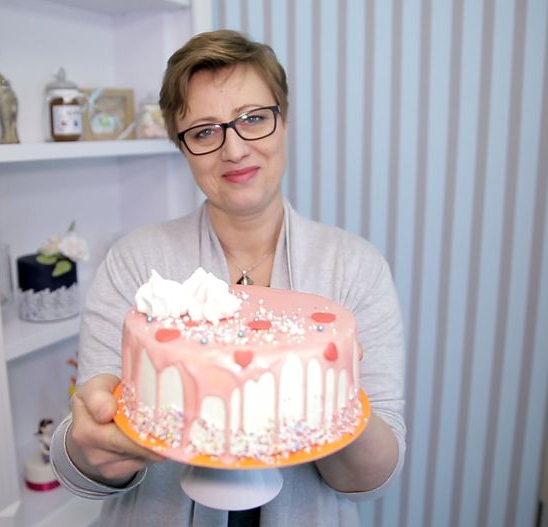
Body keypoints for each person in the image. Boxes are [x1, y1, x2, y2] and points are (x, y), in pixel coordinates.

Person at [50, 29, 406, 526]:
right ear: (181, 147)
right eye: (204, 132)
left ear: (284, 121)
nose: (234, 150)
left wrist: (336, 394)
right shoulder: (134, 262)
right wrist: (88, 447)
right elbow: (85, 464)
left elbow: (369, 480)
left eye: (253, 118)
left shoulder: (356, 268)